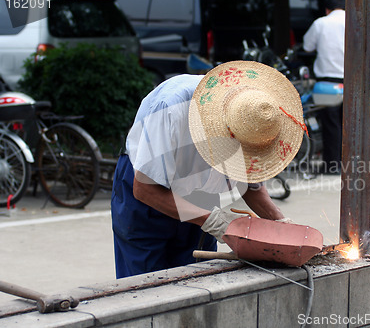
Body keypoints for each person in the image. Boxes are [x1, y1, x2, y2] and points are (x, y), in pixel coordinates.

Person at [111, 61, 306, 278]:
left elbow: (251, 185)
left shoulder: (255, 116)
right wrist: (216, 222)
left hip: (202, 201)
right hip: (149, 200)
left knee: (198, 283)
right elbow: (145, 190)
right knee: (147, 289)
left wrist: (279, 222)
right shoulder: (171, 107)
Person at [302, 0, 345, 174]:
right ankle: (351, 165)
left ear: (327, 9)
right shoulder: (354, 22)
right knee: (350, 124)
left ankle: (332, 166)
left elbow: (307, 46)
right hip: (351, 80)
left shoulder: (321, 23)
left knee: (331, 125)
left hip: (328, 82)